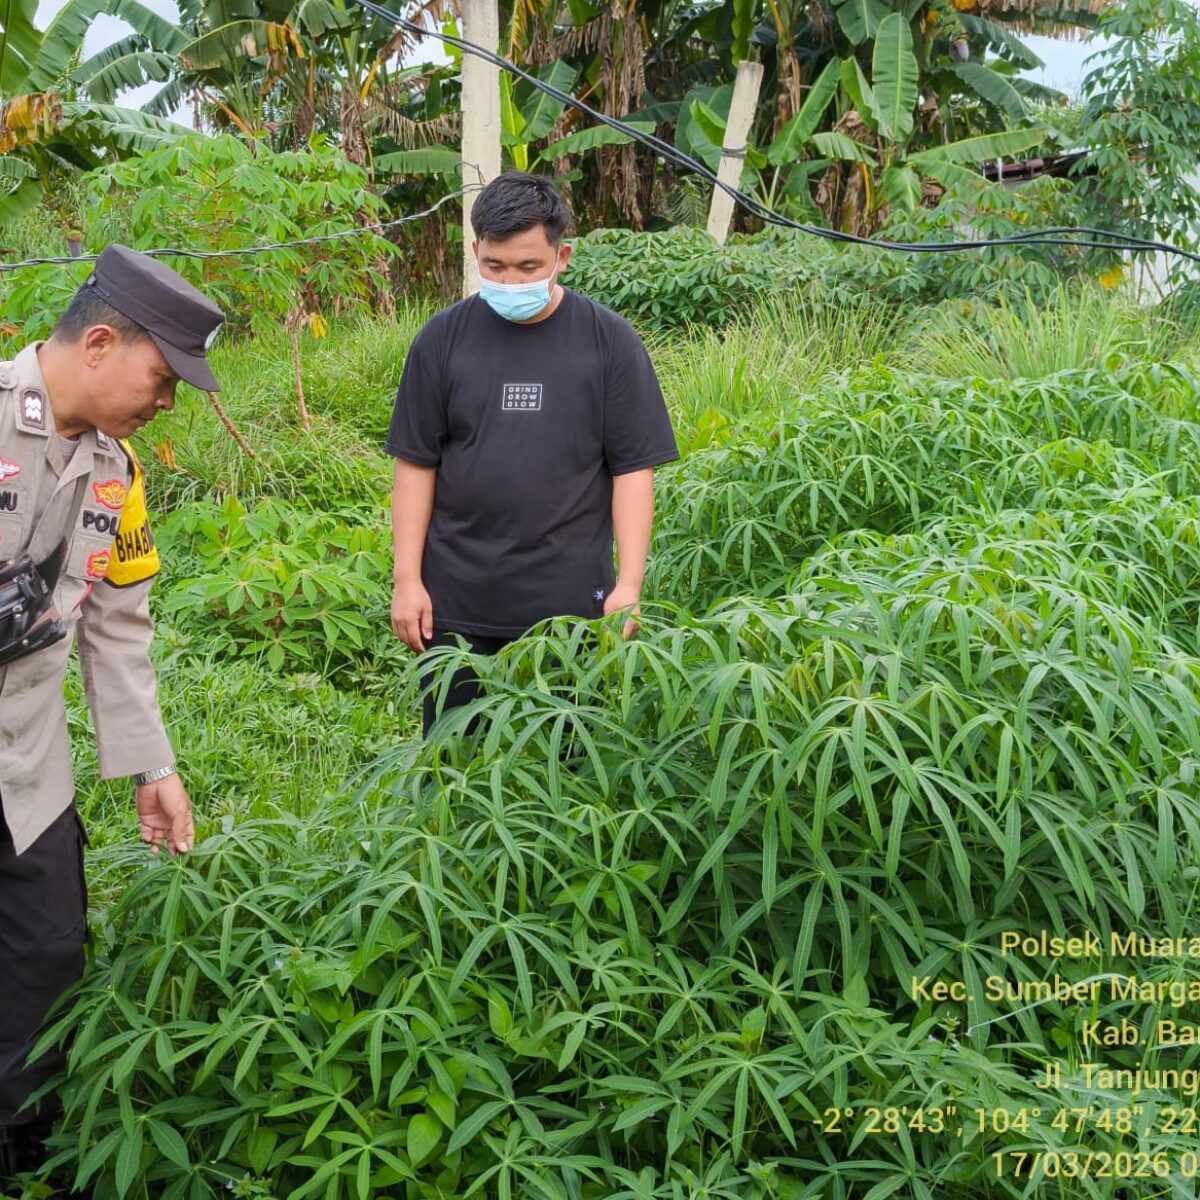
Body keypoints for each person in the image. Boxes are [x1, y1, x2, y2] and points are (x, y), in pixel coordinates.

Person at [0, 244, 224, 1185]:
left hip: (27, 760)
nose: (168, 402)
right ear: (99, 342)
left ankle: (24, 1152)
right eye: (164, 378)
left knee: (47, 952)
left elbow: (119, 629)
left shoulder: (117, 473)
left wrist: (152, 768)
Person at [387, 171, 679, 737]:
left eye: (528, 268)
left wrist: (630, 586)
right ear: (475, 251)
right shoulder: (441, 340)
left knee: (562, 769)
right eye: (494, 267)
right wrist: (407, 580)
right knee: (454, 767)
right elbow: (415, 464)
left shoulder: (609, 342)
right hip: (456, 603)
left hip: (570, 608)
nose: (509, 280)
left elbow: (632, 471)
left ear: (562, 256)